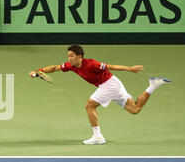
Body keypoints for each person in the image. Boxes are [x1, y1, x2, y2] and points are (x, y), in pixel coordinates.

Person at [30, 44, 171, 145]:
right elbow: (54, 68)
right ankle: (153, 85)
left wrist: (129, 68)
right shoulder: (70, 65)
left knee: (89, 105)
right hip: (113, 84)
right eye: (68, 56)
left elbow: (110, 66)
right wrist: (38, 71)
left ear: (79, 56)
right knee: (134, 109)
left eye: (72, 56)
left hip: (109, 84)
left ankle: (98, 137)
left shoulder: (91, 64)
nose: (69, 59)